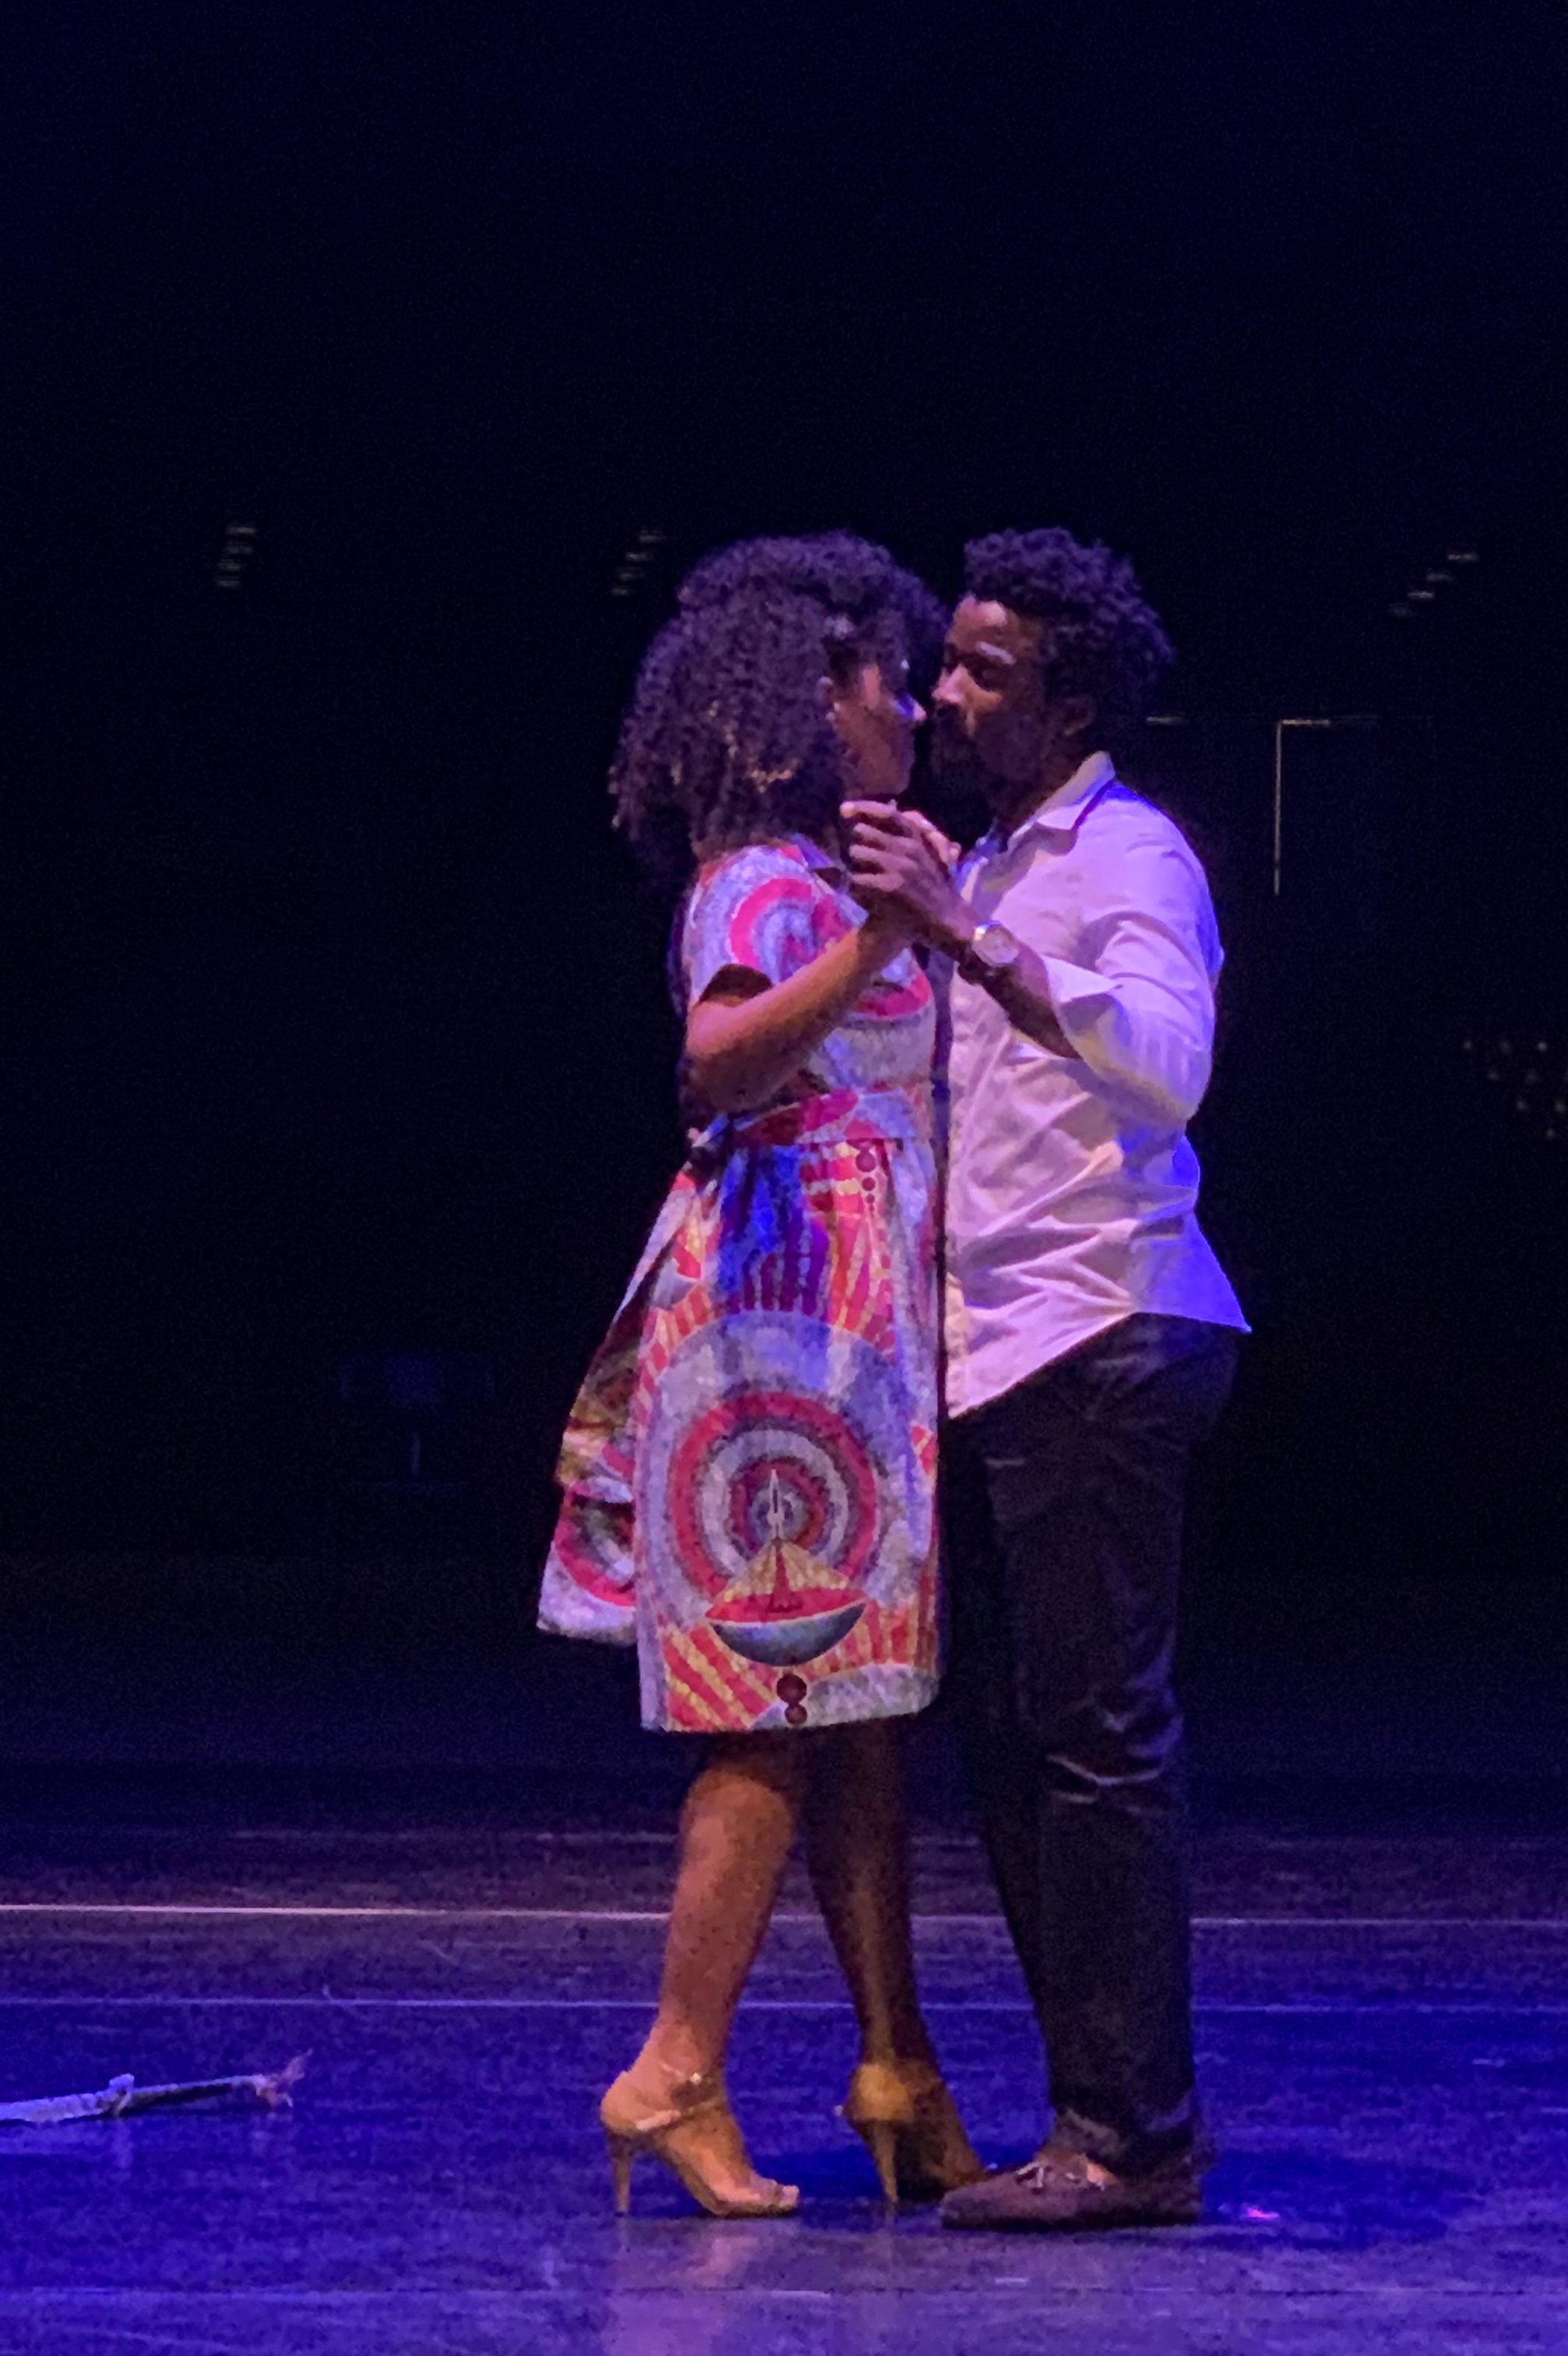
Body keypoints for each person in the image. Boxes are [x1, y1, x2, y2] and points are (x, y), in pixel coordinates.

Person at [537, 533, 979, 2218]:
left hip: (843, 1332)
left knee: (857, 1715)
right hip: (775, 1332)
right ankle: (672, 2069)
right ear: (808, 701)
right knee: (775, 1704)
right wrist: (880, 943)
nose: (910, 711)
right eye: (885, 683)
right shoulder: (760, 880)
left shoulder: (836, 874)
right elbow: (717, 1062)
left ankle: (897, 2065)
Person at [843, 528, 1246, 2230]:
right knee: (1024, 1751)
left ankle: (1133, 2137)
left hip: (1105, 1327)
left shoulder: (1123, 851)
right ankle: (1099, 2112)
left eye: (983, 670)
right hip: (1006, 1348)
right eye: (945, 660)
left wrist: (972, 937)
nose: (945, 691)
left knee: (1095, 1745)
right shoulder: (999, 859)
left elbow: (1167, 1066)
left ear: (1072, 703)